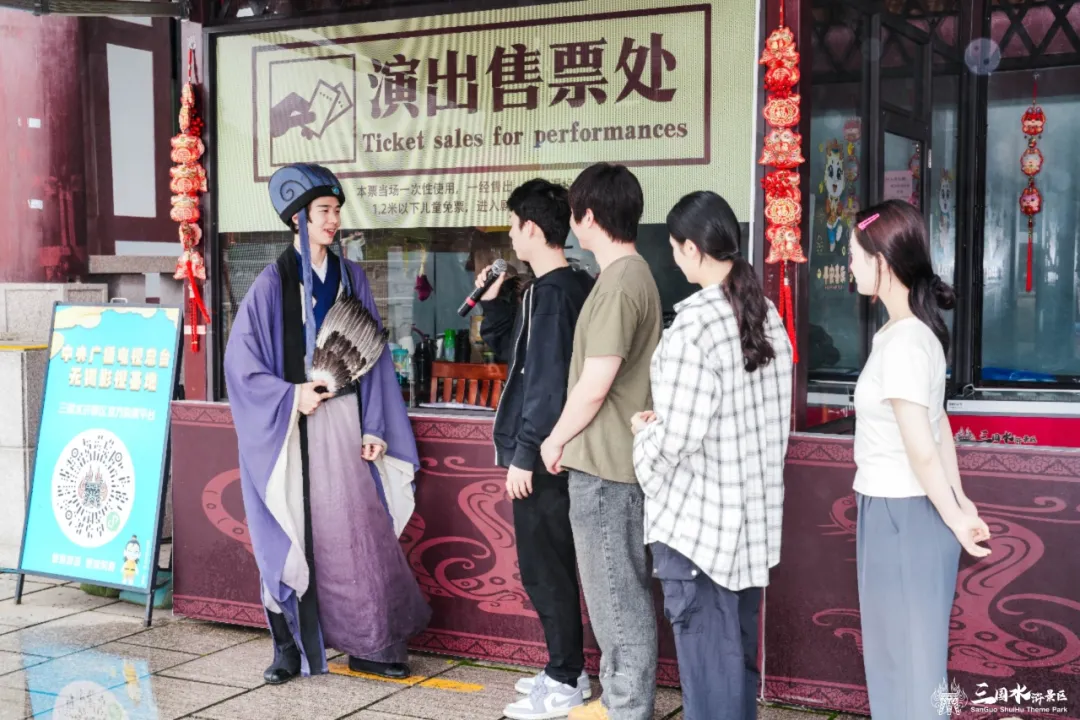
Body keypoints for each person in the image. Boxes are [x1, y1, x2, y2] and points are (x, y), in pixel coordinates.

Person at [224, 163, 431, 685]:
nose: (333, 219)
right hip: (289, 426)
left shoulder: (352, 277)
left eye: (337, 210)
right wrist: (291, 394)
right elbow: (241, 366)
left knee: (357, 533)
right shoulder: (271, 284)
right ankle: (286, 647)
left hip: (344, 425)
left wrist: (376, 425)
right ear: (298, 218)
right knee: (287, 533)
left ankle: (369, 642)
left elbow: (375, 358)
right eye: (323, 210)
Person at [630, 191, 793, 720]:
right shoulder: (767, 315)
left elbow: (677, 438)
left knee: (708, 674)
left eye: (674, 247)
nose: (674, 257)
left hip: (698, 532)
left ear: (692, 249)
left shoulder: (694, 327)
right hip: (749, 529)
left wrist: (643, 436)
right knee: (735, 667)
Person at [846, 200, 991, 720]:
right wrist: (958, 502)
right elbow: (939, 425)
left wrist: (956, 514)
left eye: (855, 256)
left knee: (908, 664)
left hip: (903, 512)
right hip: (896, 507)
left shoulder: (906, 341)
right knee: (899, 660)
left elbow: (922, 445)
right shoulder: (900, 333)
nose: (850, 266)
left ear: (882, 262)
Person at [540, 163, 663, 720]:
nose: (571, 223)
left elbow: (596, 384)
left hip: (608, 468)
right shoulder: (630, 275)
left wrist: (554, 439)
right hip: (614, 463)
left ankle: (626, 708)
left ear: (588, 217)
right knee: (617, 596)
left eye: (573, 213)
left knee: (616, 599)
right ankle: (620, 703)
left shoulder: (618, 283)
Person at [476, 179, 596, 720]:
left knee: (545, 568)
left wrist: (524, 455)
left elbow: (545, 387)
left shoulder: (552, 295)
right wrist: (496, 302)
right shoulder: (562, 286)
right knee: (554, 565)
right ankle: (564, 667)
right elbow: (518, 356)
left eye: (512, 224)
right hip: (560, 450)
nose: (509, 235)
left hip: (546, 457)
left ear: (530, 228)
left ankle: (566, 677)